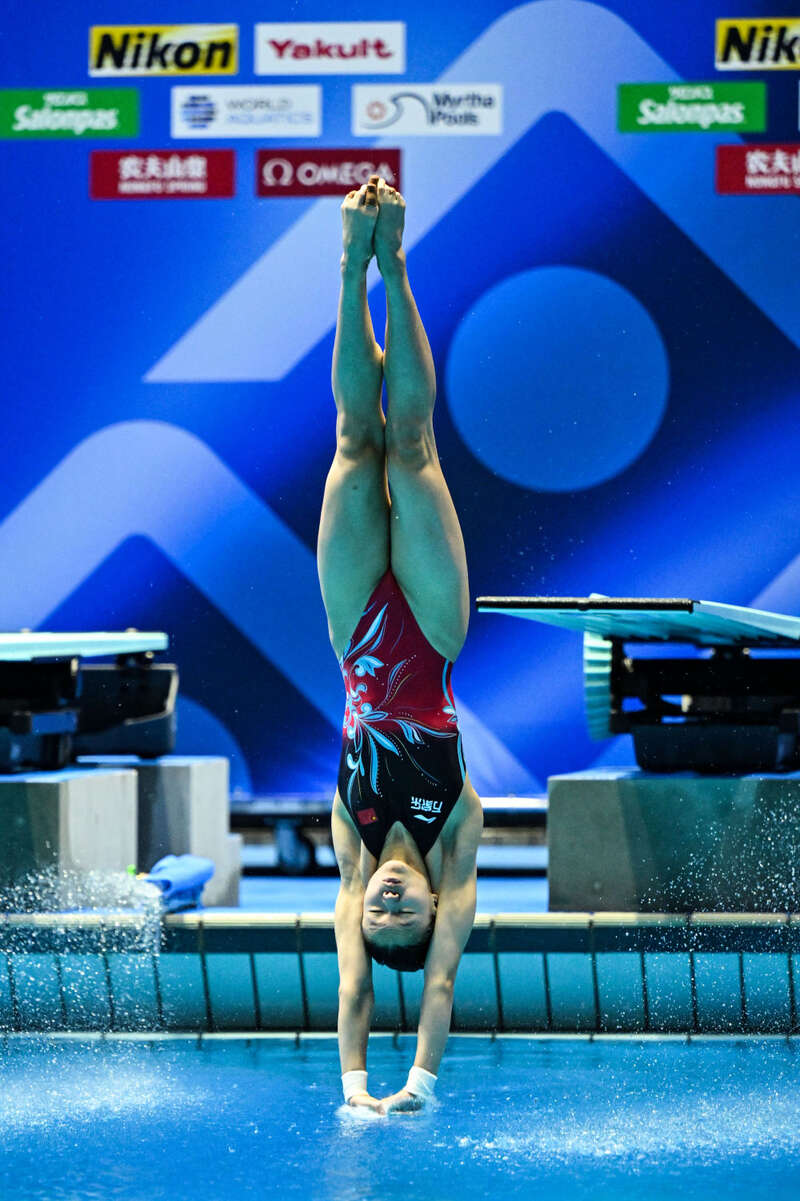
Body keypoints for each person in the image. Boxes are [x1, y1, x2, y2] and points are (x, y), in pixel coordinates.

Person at [317, 174, 483, 1115]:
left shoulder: (350, 849)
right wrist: (416, 1082)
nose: (383, 902)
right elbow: (441, 981)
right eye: (400, 913)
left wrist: (354, 1091)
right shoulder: (458, 838)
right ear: (431, 909)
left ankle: (352, 265)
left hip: (356, 635)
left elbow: (353, 989)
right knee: (409, 443)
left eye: (374, 912)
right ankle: (398, 260)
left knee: (354, 440)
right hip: (431, 626)